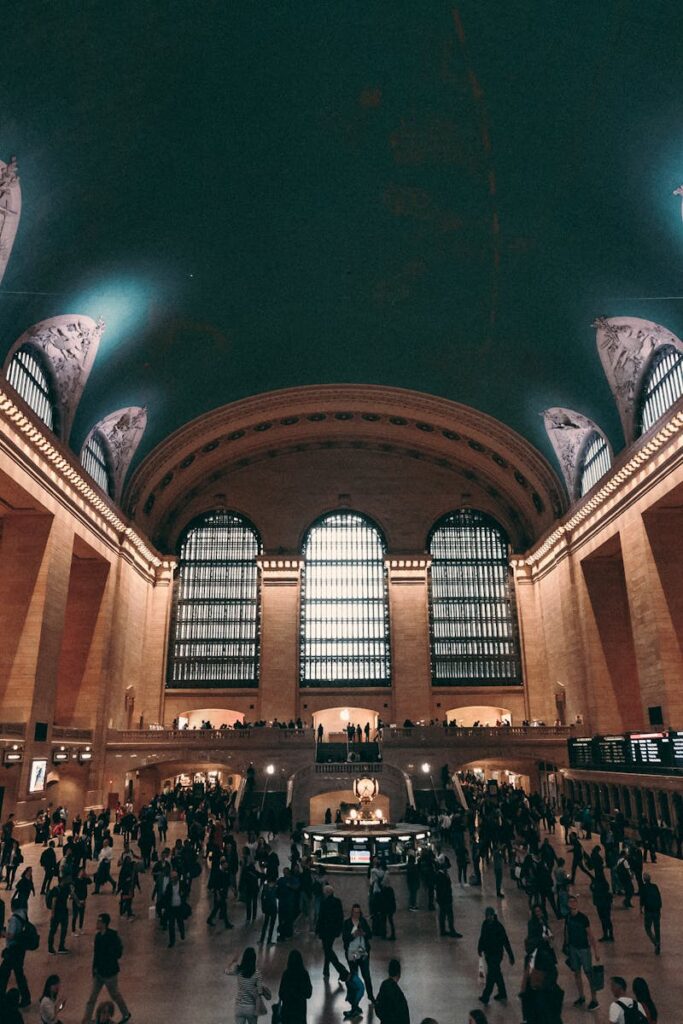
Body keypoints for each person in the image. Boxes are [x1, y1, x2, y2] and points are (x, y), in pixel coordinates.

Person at [81, 913, 131, 1024]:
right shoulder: (97, 936)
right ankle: (86, 1018)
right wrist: (94, 969)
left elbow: (118, 952)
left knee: (115, 995)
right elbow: (96, 954)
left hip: (110, 974)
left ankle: (126, 1013)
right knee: (92, 997)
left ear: (104, 923)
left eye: (99, 921)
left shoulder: (112, 935)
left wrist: (110, 957)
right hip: (99, 973)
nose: (97, 923)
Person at [565, 895, 599, 1011]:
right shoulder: (568, 917)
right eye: (570, 902)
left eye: (574, 901)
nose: (572, 903)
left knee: (588, 973)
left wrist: (596, 951)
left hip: (584, 949)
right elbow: (567, 932)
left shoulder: (583, 918)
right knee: (577, 973)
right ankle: (581, 996)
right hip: (573, 948)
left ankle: (594, 999)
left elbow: (590, 934)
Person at [477, 906, 514, 1006]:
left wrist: (511, 955)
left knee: (491, 975)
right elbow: (482, 937)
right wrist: (480, 948)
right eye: (487, 916)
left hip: (496, 955)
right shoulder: (485, 924)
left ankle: (486, 996)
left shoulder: (498, 927)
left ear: (493, 915)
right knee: (497, 973)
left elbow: (506, 941)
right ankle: (502, 993)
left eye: (490, 915)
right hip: (488, 954)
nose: (489, 917)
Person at [0, 903, 32, 1007]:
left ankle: (1, 997)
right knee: (18, 974)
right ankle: (26, 997)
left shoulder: (14, 919)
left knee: (4, 974)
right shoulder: (23, 915)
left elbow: (11, 935)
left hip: (13, 950)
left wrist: (3, 933)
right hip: (20, 949)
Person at [226, 946, 269, 1024]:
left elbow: (226, 971)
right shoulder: (257, 974)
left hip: (239, 1007)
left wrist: (233, 961)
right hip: (251, 1008)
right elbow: (259, 992)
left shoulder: (238, 970)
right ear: (254, 959)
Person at [342, 903, 375, 1004]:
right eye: (355, 912)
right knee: (354, 977)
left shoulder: (363, 922)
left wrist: (364, 933)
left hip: (362, 952)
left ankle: (371, 996)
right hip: (352, 953)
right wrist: (353, 935)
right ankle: (354, 1000)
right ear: (352, 912)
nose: (356, 914)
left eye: (358, 912)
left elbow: (370, 934)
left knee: (366, 975)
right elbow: (345, 938)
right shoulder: (347, 923)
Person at [316, 885, 349, 982]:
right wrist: (339, 929)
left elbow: (321, 917)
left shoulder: (324, 902)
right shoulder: (337, 901)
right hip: (333, 930)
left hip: (325, 930)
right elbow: (340, 916)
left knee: (328, 950)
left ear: (327, 893)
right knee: (328, 949)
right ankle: (326, 970)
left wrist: (317, 930)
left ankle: (342, 971)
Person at [278, 948, 312, 1024]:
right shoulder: (304, 974)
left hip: (287, 1011)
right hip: (300, 1011)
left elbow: (281, 993)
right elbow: (309, 994)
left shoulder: (286, 974)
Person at [374, 958, 410, 1024]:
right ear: (399, 974)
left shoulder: (384, 986)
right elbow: (404, 1017)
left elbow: (377, 1007)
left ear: (389, 972)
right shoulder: (399, 995)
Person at [163, 869, 188, 947]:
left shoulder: (182, 884)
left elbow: (186, 891)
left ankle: (182, 933)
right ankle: (172, 941)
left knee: (180, 922)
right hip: (171, 908)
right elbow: (166, 897)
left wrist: (183, 896)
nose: (172, 879)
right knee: (171, 925)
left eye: (174, 878)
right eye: (171, 878)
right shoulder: (169, 886)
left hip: (179, 907)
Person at [639, 872, 661, 954]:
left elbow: (642, 899)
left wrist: (640, 909)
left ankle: (655, 942)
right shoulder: (655, 886)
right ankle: (658, 943)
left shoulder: (643, 888)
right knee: (657, 928)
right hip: (656, 910)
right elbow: (659, 897)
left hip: (648, 911)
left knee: (648, 928)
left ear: (644, 880)